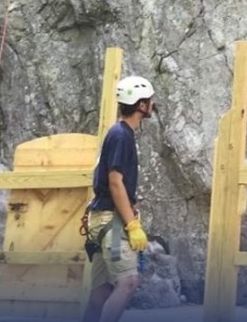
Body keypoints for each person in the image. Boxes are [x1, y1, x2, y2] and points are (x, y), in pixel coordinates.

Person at [81, 75, 156, 322]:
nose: (153, 104)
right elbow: (115, 181)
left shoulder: (119, 133)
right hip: (110, 220)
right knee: (128, 282)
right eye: (150, 100)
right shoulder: (122, 135)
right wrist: (131, 225)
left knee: (102, 290)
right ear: (141, 105)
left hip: (101, 219)